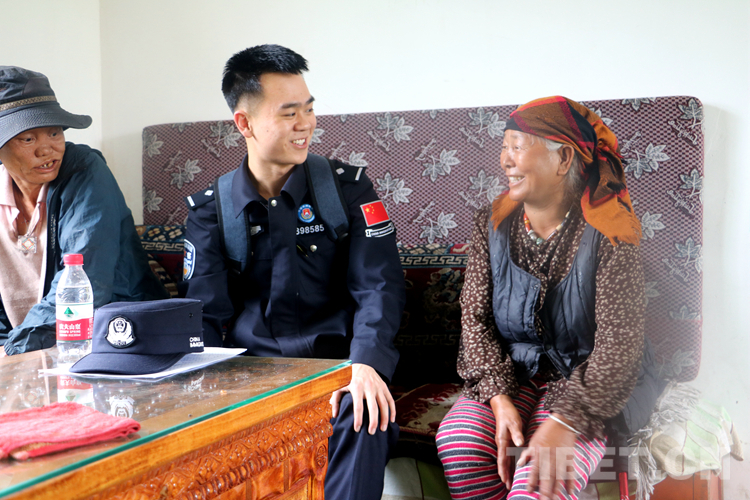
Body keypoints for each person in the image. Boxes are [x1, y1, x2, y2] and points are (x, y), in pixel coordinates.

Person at [183, 45, 405, 500]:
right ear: (244, 123)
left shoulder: (347, 189)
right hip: (251, 374)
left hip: (341, 367)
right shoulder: (211, 211)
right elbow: (202, 315)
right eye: (289, 113)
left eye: (309, 109)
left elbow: (379, 287)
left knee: (365, 414)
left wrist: (366, 364)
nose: (305, 124)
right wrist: (197, 391)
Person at [435, 96, 662, 500]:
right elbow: (475, 319)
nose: (505, 160)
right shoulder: (492, 224)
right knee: (461, 445)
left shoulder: (612, 232)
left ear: (563, 159)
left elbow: (619, 347)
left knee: (540, 476)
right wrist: (498, 398)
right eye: (504, 147)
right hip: (514, 374)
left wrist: (566, 422)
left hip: (589, 384)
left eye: (517, 146)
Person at [0, 66, 169, 357]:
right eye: (28, 139)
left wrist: (12, 350)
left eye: (54, 133)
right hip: (31, 347)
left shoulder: (84, 170)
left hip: (116, 339)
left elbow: (85, 280)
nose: (47, 149)